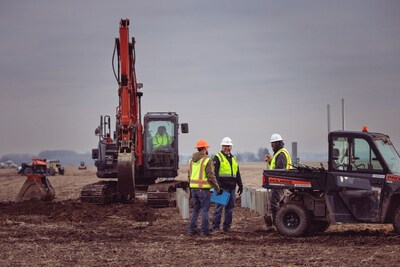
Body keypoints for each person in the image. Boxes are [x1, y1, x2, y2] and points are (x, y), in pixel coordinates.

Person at [188, 139, 221, 236]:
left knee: (196, 209)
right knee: (205, 210)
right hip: (203, 190)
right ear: (205, 148)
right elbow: (211, 176)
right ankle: (205, 231)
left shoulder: (191, 160)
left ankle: (191, 230)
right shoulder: (207, 160)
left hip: (193, 188)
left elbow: (189, 175)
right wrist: (217, 188)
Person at [212, 137, 243, 233]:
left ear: (231, 147)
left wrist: (240, 185)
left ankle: (227, 227)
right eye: (225, 146)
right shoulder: (217, 157)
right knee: (219, 208)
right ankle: (215, 227)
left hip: (232, 187)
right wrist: (218, 187)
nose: (227, 148)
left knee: (230, 209)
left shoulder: (234, 158)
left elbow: (237, 173)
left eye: (229, 146)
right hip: (222, 188)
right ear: (222, 146)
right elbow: (215, 173)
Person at [264, 133, 292, 229]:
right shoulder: (280, 153)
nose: (272, 146)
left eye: (273, 144)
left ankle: (277, 224)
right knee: (281, 204)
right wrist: (271, 161)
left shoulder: (281, 154)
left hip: (279, 183)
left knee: (274, 204)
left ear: (279, 143)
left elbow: (279, 170)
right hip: (282, 183)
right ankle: (282, 224)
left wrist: (269, 178)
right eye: (271, 144)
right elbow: (277, 166)